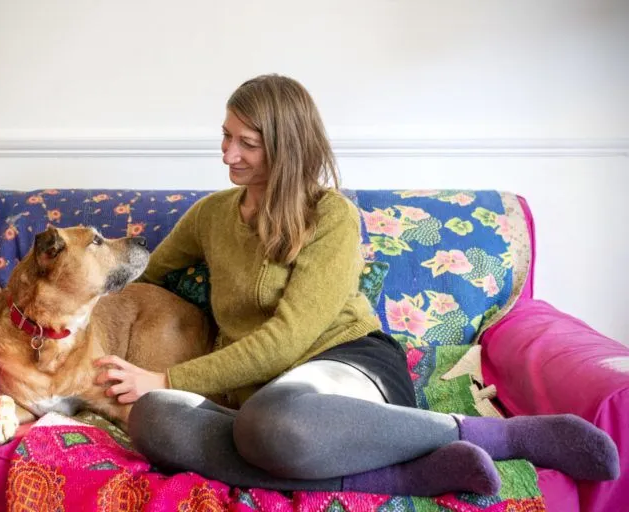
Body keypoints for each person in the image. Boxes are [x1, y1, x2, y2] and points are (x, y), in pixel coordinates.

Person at [94, 74, 619, 496]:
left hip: (344, 362)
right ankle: (406, 474)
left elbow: (290, 338)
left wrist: (169, 376)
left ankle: (496, 434)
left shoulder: (331, 217)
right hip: (255, 398)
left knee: (270, 422)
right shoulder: (211, 215)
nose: (227, 154)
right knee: (154, 421)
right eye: (226, 136)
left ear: (286, 148)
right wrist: (73, 318)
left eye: (246, 143)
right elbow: (141, 279)